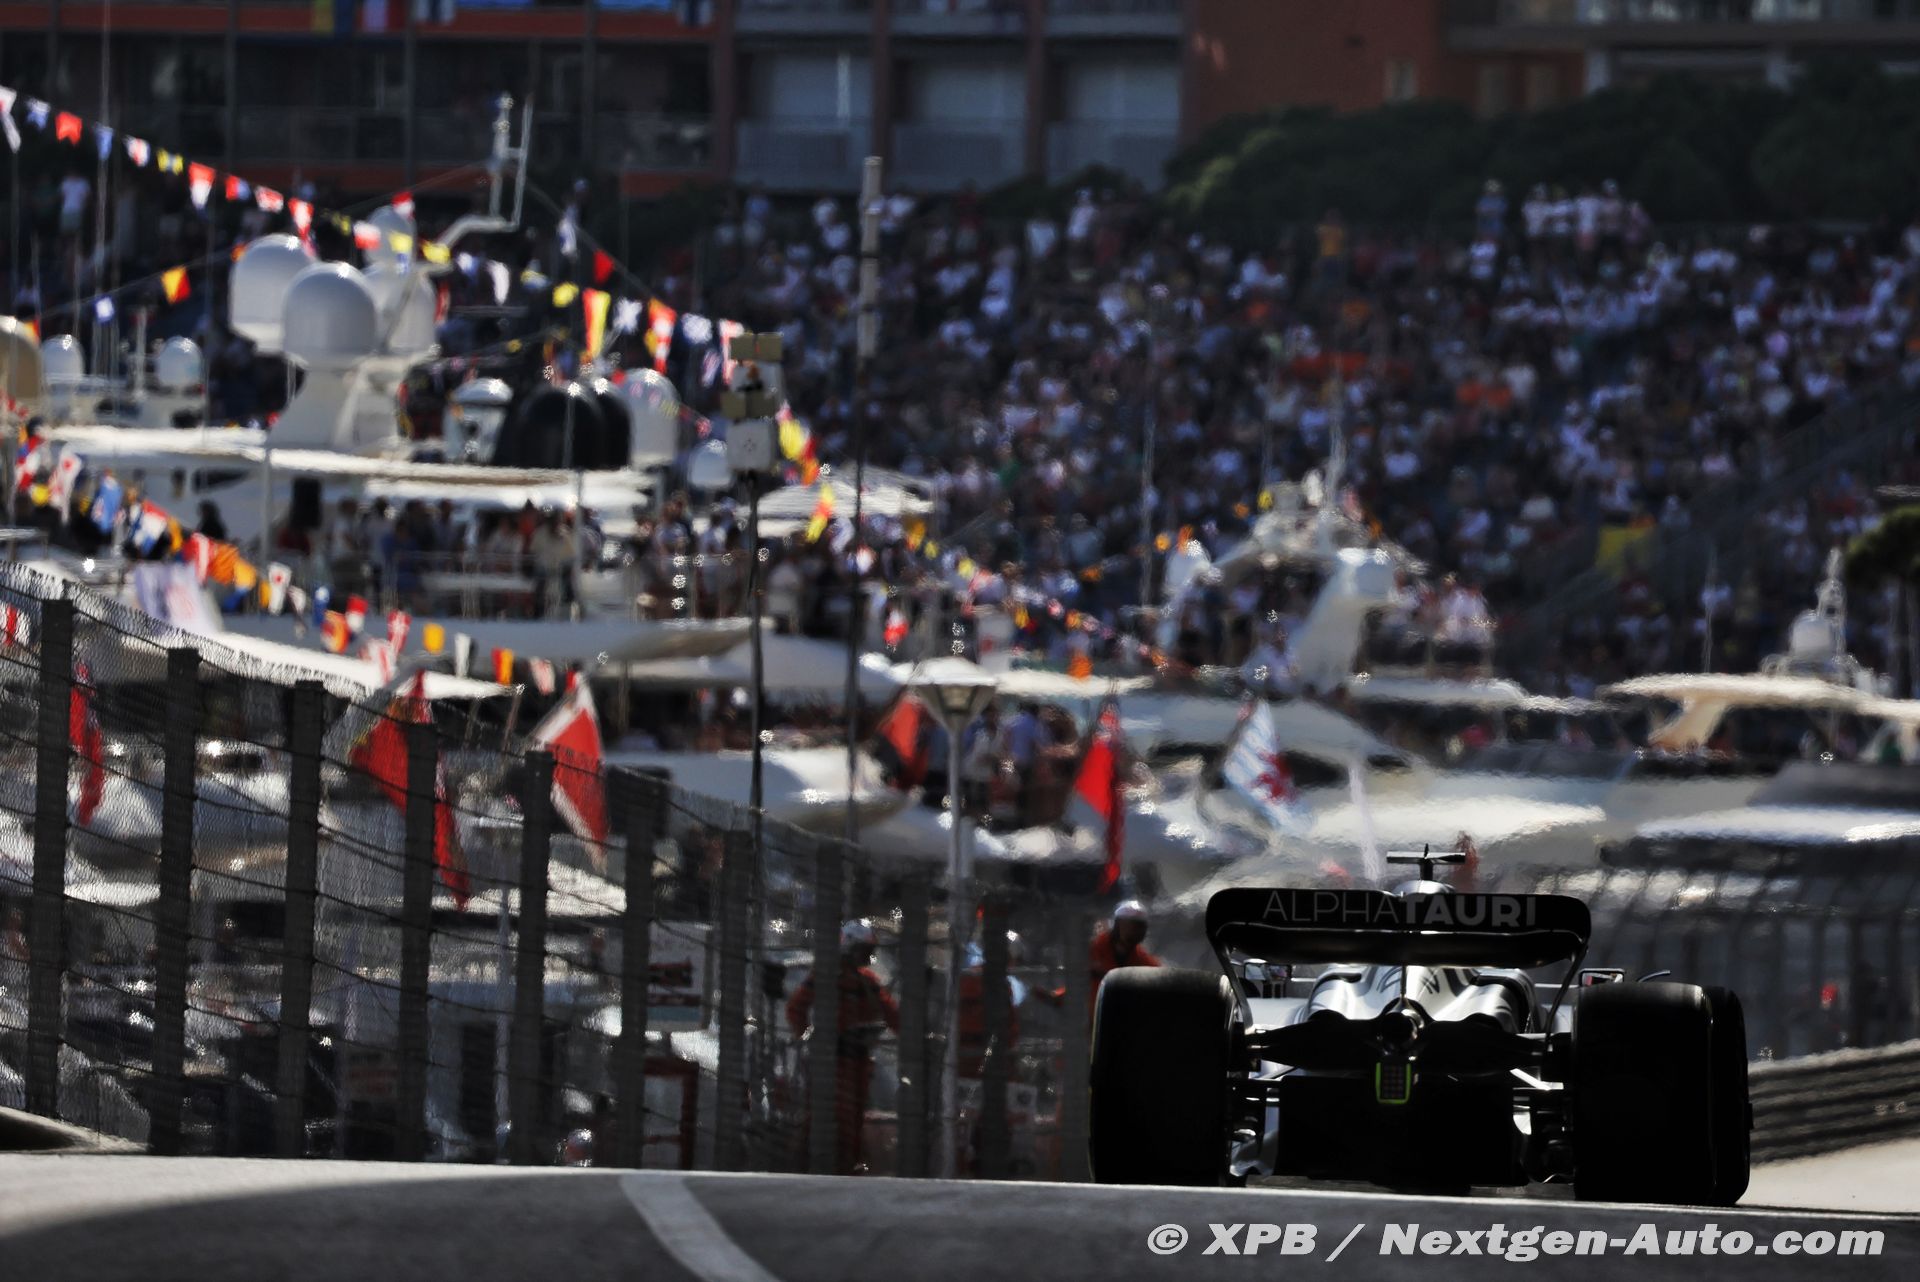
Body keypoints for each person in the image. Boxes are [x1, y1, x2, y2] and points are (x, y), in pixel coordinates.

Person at [785, 920, 900, 1174]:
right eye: (865, 950)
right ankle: (809, 1165)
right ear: (850, 947)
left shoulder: (867, 981)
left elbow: (892, 1014)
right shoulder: (826, 977)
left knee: (855, 1115)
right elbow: (795, 1008)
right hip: (831, 1060)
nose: (868, 956)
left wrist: (910, 1036)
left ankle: (849, 1165)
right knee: (827, 1113)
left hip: (858, 1059)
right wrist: (806, 1036)